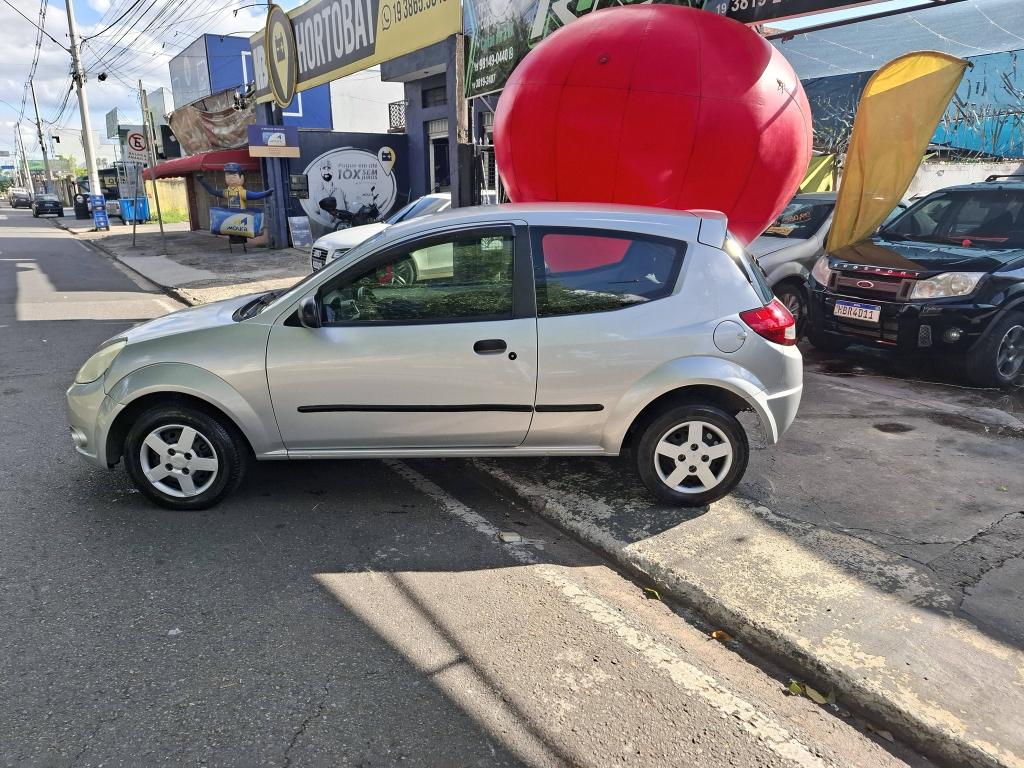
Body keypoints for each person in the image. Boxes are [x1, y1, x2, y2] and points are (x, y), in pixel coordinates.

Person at [196, 162, 273, 210]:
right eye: (227, 176)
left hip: (241, 217)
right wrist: (202, 181)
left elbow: (255, 195)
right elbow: (212, 191)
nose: (231, 179)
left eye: (234, 176)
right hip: (231, 217)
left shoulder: (242, 192)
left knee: (241, 236)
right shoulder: (227, 192)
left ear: (241, 177)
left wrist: (266, 193)